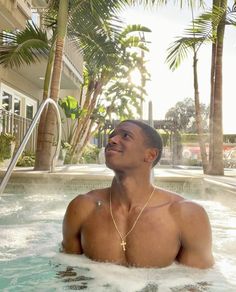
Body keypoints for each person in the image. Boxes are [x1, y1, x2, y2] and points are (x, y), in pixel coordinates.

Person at [62, 120, 214, 269]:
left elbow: (196, 282)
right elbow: (70, 273)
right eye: (112, 136)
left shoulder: (186, 215)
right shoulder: (82, 207)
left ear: (150, 155)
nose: (112, 140)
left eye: (126, 136)